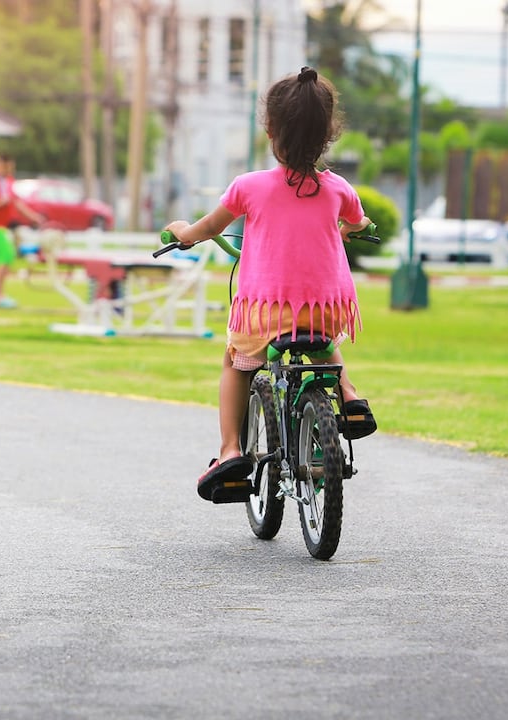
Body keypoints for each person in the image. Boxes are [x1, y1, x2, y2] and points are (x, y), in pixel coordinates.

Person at [162, 66, 378, 502]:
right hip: (326, 310)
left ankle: (229, 450)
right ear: (328, 134)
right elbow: (359, 222)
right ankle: (349, 394)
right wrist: (353, 229)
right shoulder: (339, 189)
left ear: (270, 131)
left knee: (235, 362)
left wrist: (183, 232)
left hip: (265, 315)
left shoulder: (248, 187)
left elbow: (208, 227)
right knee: (322, 343)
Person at [0, 153, 42, 308]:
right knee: (4, 257)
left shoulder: (9, 182)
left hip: (1, 226)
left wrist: (34, 217)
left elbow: (16, 203)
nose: (6, 169)